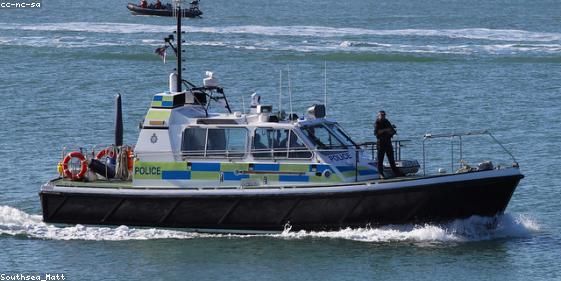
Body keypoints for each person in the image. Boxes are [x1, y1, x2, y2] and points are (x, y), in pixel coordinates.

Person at [374, 110, 404, 179]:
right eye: (381, 115)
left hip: (388, 142)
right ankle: (381, 174)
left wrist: (392, 132)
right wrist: (386, 130)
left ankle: (396, 172)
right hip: (381, 143)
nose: (383, 116)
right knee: (380, 159)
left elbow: (391, 130)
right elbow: (376, 133)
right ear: (378, 116)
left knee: (391, 159)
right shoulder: (377, 122)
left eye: (384, 115)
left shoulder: (386, 121)